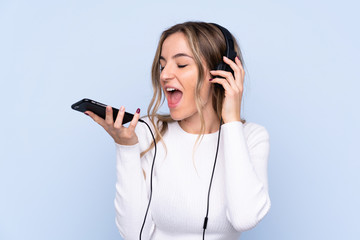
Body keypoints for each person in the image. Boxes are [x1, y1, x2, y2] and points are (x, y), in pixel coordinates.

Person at [85, 21, 271, 240]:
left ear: (221, 73)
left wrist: (231, 121)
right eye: (163, 66)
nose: (164, 75)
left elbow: (244, 218)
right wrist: (126, 148)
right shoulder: (148, 132)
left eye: (181, 65)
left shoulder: (251, 137)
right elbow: (134, 235)